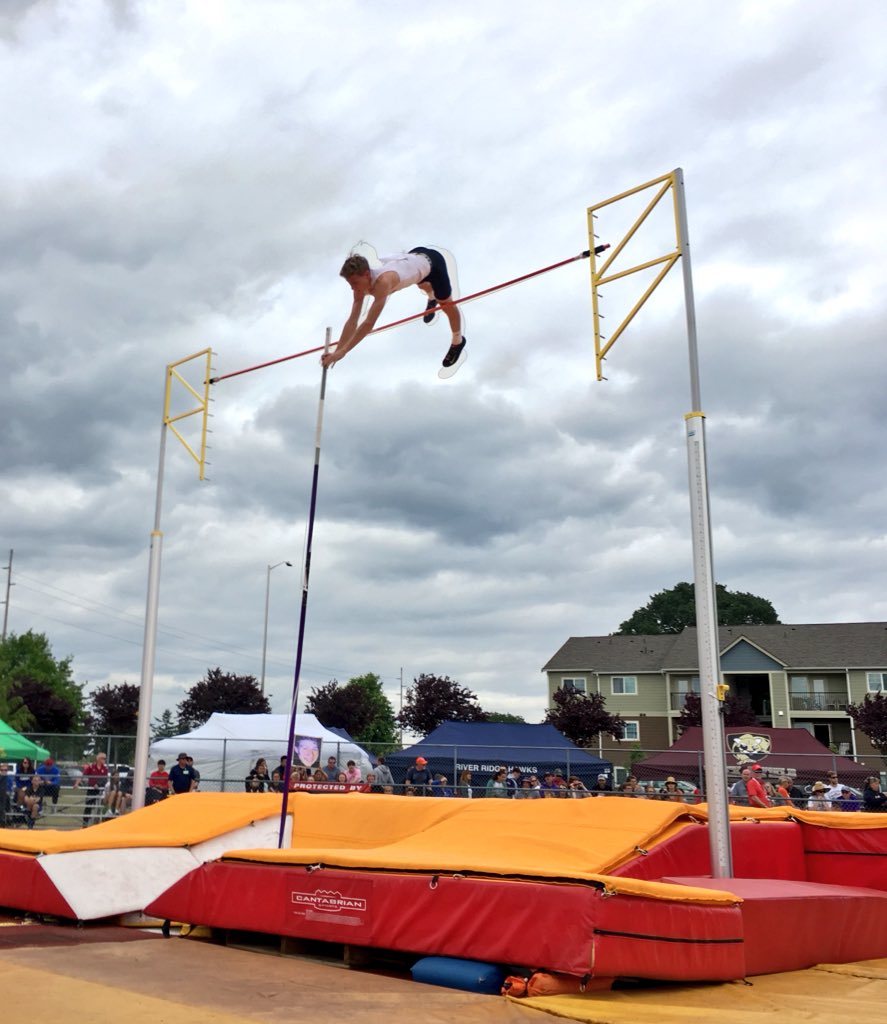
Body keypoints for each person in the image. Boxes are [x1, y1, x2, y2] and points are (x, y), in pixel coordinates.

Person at [322, 248, 467, 374]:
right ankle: (431, 297)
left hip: (434, 264)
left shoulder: (383, 283)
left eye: (354, 283)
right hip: (415, 256)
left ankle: (457, 341)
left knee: (446, 305)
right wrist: (337, 352)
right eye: (350, 284)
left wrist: (343, 352)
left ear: (366, 274)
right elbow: (353, 321)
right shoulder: (359, 288)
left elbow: (368, 323)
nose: (352, 288)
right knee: (422, 284)